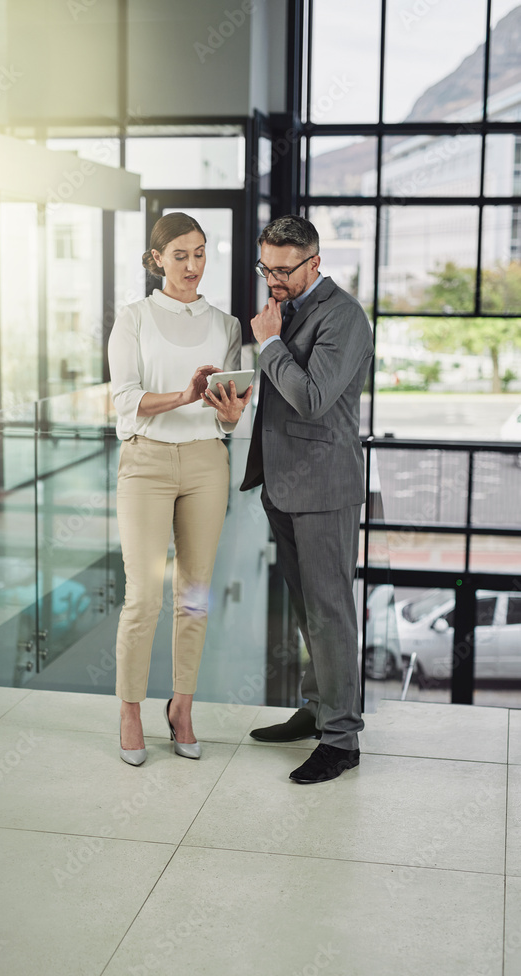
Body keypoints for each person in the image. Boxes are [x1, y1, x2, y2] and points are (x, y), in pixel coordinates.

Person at [109, 212, 252, 766]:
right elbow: (125, 400)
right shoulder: (134, 319)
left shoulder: (227, 324)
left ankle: (182, 708)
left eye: (200, 253)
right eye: (179, 256)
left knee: (194, 595)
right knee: (142, 597)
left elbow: (228, 418)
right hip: (144, 463)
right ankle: (129, 711)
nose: (193, 265)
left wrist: (229, 413)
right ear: (157, 260)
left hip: (205, 464)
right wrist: (184, 394)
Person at [240, 214, 373, 784]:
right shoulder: (286, 309)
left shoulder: (343, 316)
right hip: (285, 485)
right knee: (306, 611)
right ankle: (318, 709)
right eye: (265, 267)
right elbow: (275, 394)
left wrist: (268, 343)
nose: (273, 279)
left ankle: (342, 739)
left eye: (284, 270)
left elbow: (313, 398)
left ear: (315, 263)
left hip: (324, 489)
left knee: (330, 612)